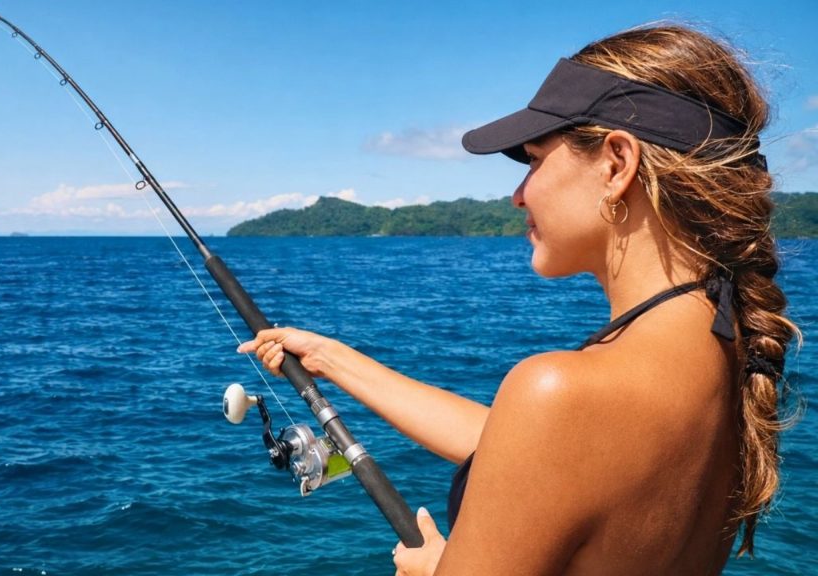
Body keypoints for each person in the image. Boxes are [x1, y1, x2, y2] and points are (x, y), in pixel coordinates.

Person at [238, 24, 798, 575]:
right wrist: (331, 358)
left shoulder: (565, 394)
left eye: (533, 159)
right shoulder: (728, 352)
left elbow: (550, 431)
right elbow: (534, 453)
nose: (516, 194)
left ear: (617, 164)